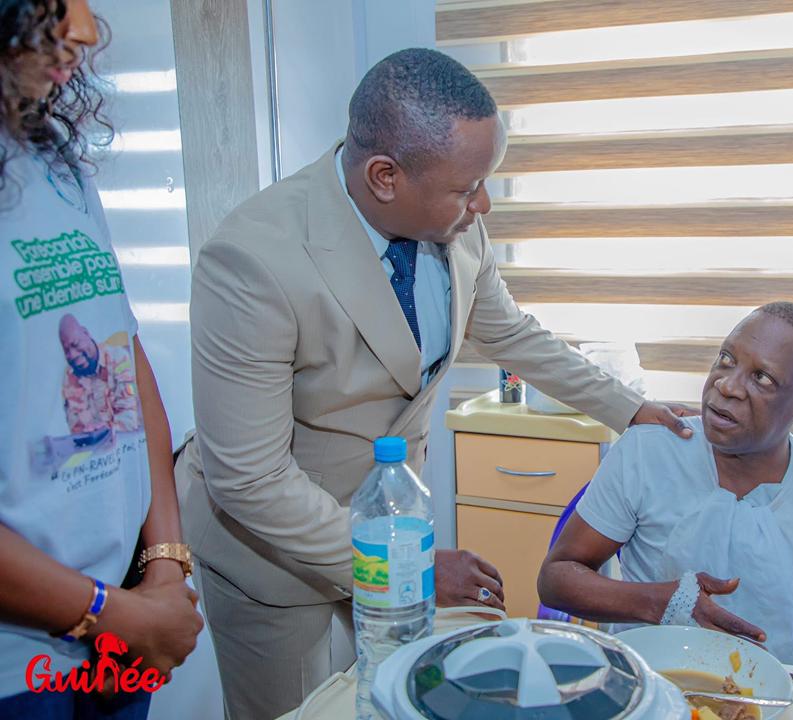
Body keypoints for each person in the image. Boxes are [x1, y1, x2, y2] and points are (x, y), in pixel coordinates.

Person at [173, 46, 694, 719]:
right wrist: (407, 565)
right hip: (275, 560)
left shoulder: (454, 223)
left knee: (395, 704)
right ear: (385, 176)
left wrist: (633, 409)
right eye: (467, 187)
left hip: (391, 524)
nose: (483, 204)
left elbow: (511, 334)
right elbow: (250, 478)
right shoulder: (254, 260)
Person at [0, 1, 203, 718]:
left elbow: (124, 355)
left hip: (118, 626)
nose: (85, 30)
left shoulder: (52, 160)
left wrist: (164, 568)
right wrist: (114, 615)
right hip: (20, 667)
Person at [538, 302, 793, 668]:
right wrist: (657, 602)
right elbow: (555, 579)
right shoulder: (648, 451)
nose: (727, 385)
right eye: (726, 359)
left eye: (763, 378)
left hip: (783, 687)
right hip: (652, 680)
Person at [59, 313, 140, 435]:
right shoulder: (70, 375)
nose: (73, 355)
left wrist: (105, 429)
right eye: (66, 351)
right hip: (98, 445)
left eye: (75, 344)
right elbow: (77, 429)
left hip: (129, 440)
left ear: (86, 333)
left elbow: (129, 421)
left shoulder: (119, 358)